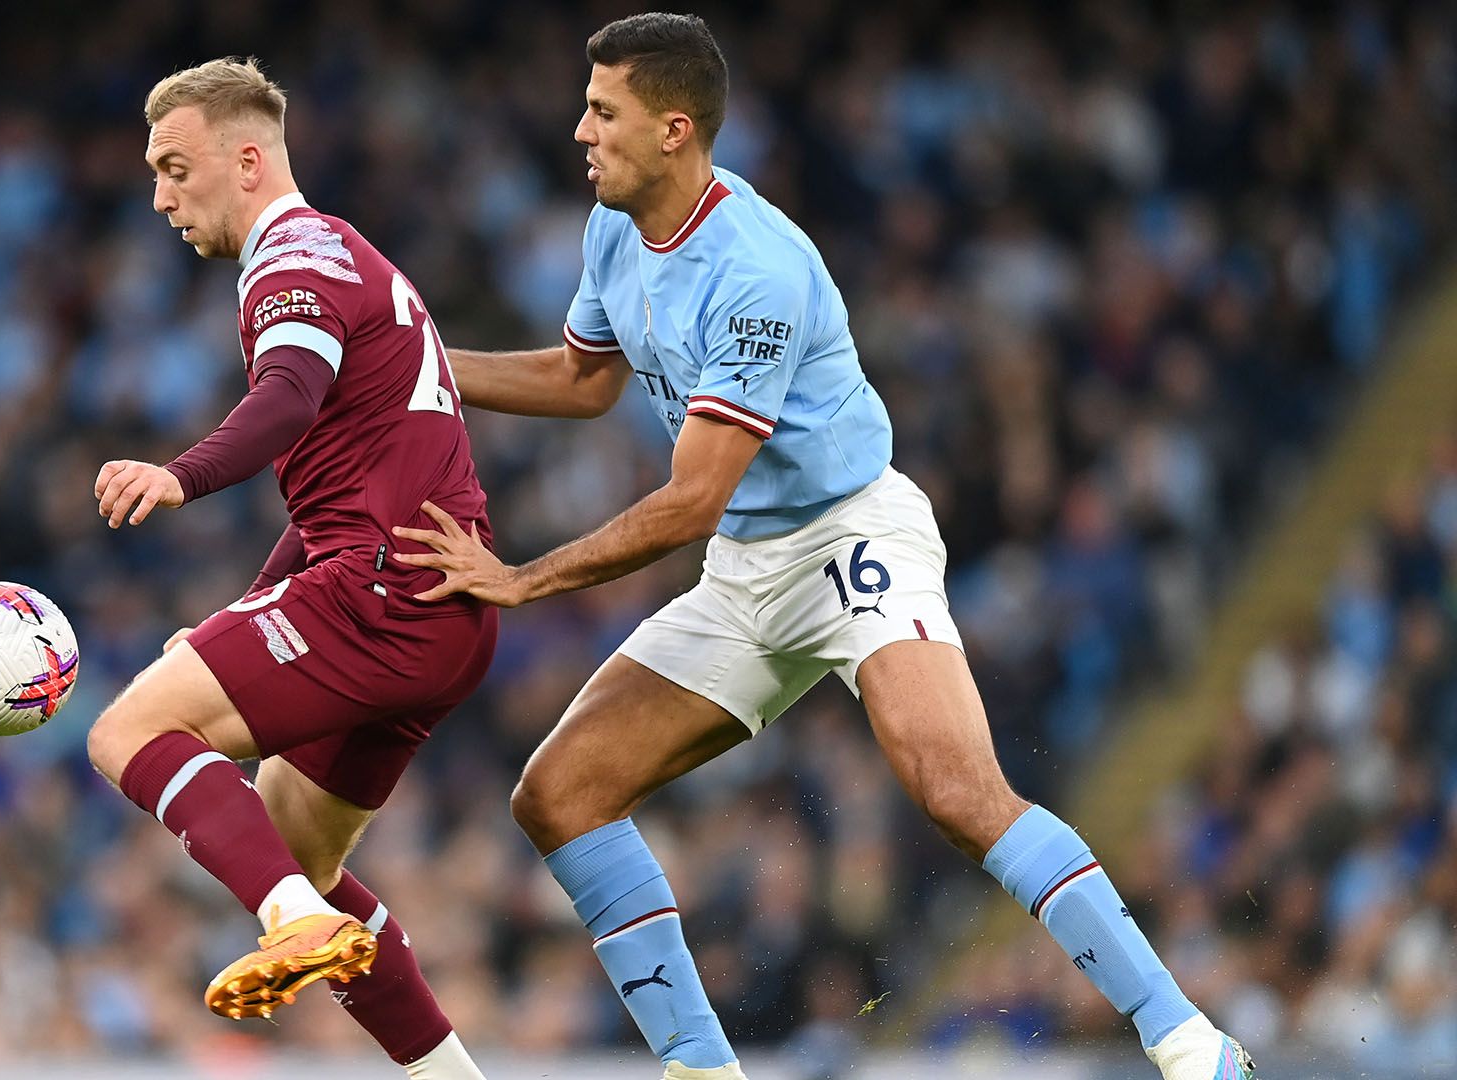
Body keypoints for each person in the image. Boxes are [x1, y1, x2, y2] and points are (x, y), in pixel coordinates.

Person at [395, 14, 1256, 1080]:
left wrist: (523, 578)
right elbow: (583, 378)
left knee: (958, 792)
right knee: (558, 795)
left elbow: (690, 500)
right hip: (750, 567)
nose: (579, 130)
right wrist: (413, 360)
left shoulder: (757, 269)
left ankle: (1191, 1042)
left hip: (850, 542)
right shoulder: (614, 226)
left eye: (602, 112)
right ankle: (703, 1071)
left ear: (674, 129)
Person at [85, 57, 495, 1079]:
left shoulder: (293, 256)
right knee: (293, 858)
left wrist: (180, 475)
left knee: (126, 729)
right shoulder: (357, 257)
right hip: (444, 612)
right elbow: (330, 488)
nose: (160, 196)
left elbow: (288, 397)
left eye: (177, 167)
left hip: (381, 590)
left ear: (250, 158)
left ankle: (293, 924)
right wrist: (250, 603)